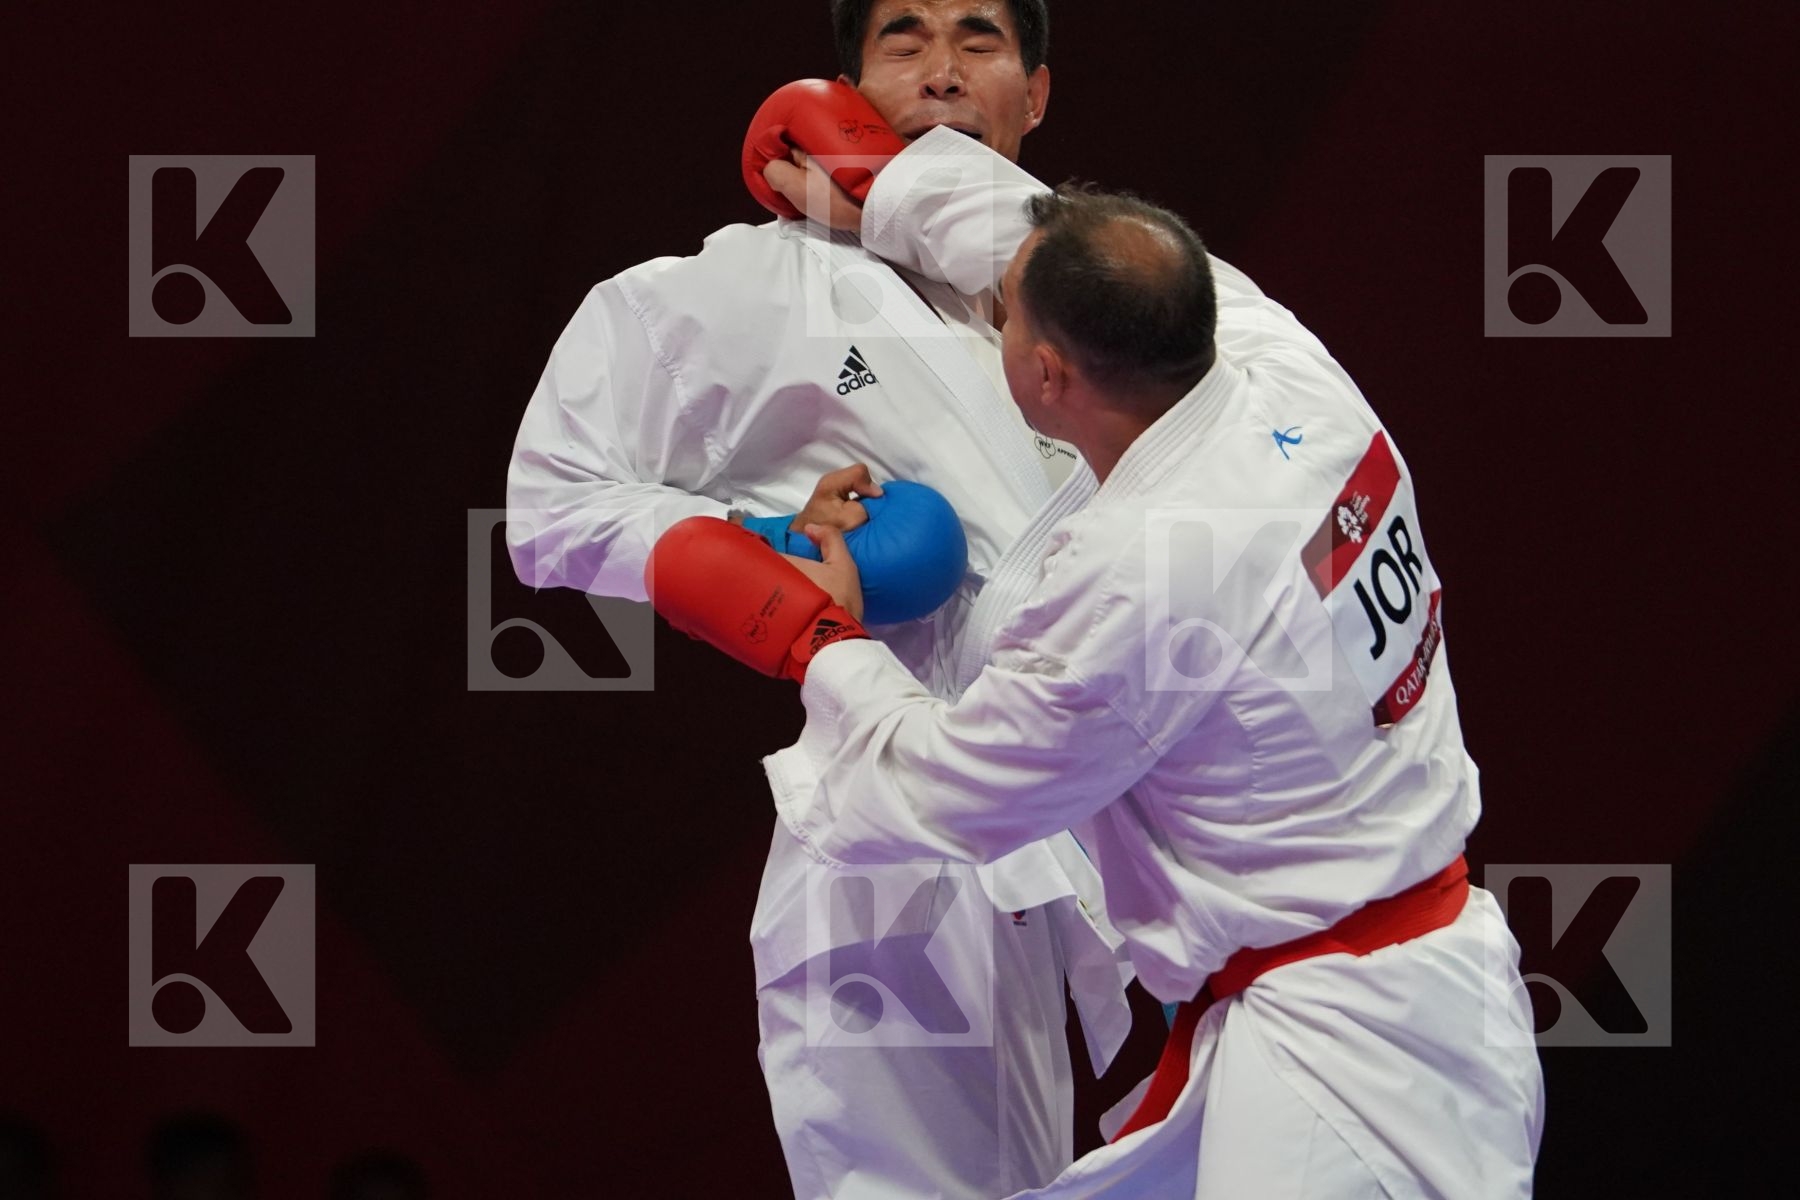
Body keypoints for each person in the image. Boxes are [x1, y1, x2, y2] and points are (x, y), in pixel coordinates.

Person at [727, 131, 1547, 1195]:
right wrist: (886, 185)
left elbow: (946, 791)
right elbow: (1037, 238)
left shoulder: (1141, 577)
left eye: (1003, 317)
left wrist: (822, 641)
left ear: (1047, 373)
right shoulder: (1277, 364)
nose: (988, 315)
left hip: (1347, 1075)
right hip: (1395, 984)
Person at [505, 3, 1135, 1196]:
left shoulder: (1101, 286)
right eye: (903, 40)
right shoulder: (756, 285)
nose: (943, 71)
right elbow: (552, 499)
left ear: (1037, 92)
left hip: (1111, 812)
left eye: (980, 40)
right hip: (906, 836)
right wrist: (765, 552)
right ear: (844, 83)